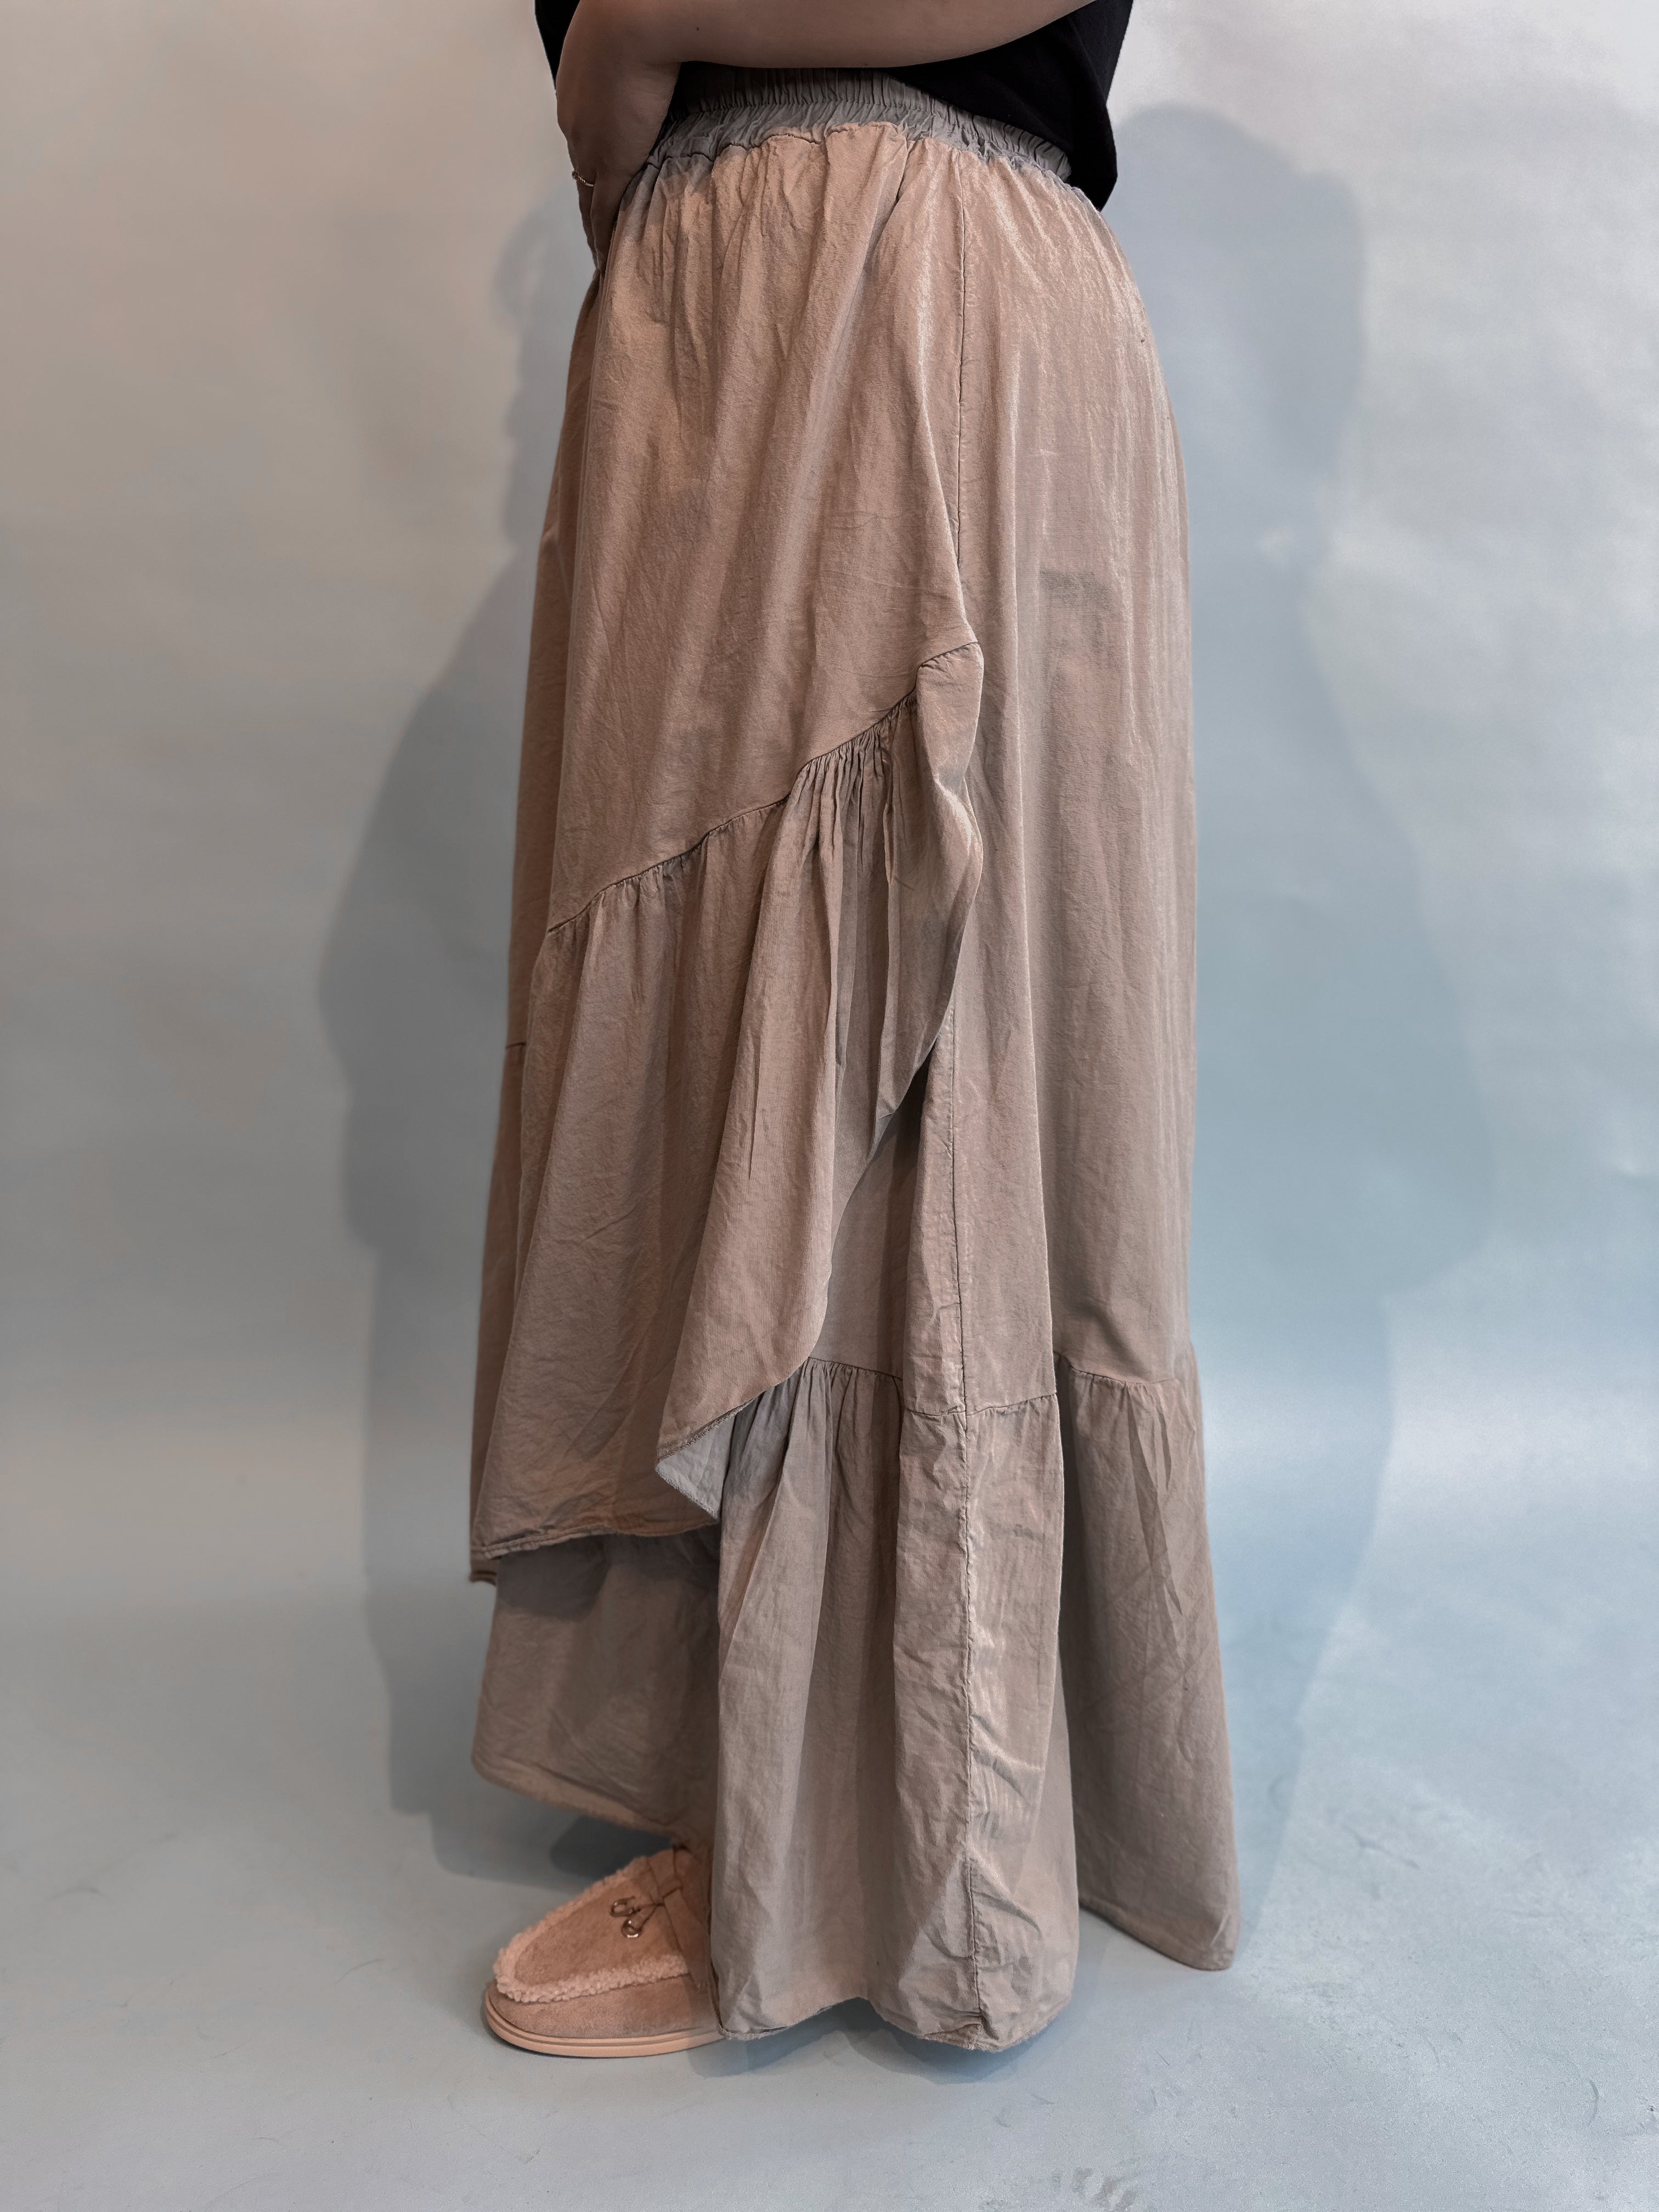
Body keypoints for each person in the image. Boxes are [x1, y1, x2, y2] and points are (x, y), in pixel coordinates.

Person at [467, 0, 1239, 2060]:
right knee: (742, 1026)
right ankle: (772, 1766)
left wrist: (630, 39)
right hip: (731, 323)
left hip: (895, 290)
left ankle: (891, 1853)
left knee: (912, 1045)